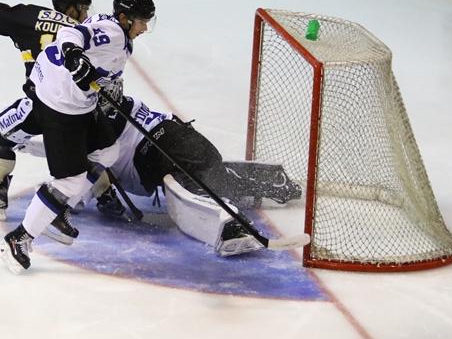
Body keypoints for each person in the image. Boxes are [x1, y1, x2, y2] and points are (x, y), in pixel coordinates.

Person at [0, 0, 156, 274]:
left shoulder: (117, 32)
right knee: (69, 182)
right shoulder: (114, 32)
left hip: (73, 98)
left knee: (107, 151)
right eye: (141, 21)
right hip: (61, 105)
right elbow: (72, 34)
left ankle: (57, 210)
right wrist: (74, 55)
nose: (145, 28)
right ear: (124, 18)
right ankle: (19, 238)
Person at [0, 0, 103, 232]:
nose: (85, 14)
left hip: (40, 104)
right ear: (71, 9)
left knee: (0, 133)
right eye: (83, 8)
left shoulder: (33, 16)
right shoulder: (86, 32)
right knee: (96, 147)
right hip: (79, 109)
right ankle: (104, 194)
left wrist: (20, 26)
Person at [102, 93, 302, 256]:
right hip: (175, 129)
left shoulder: (94, 125)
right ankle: (269, 180)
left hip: (152, 152)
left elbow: (95, 168)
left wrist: (103, 194)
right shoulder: (112, 102)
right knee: (208, 168)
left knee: (196, 180)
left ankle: (231, 222)